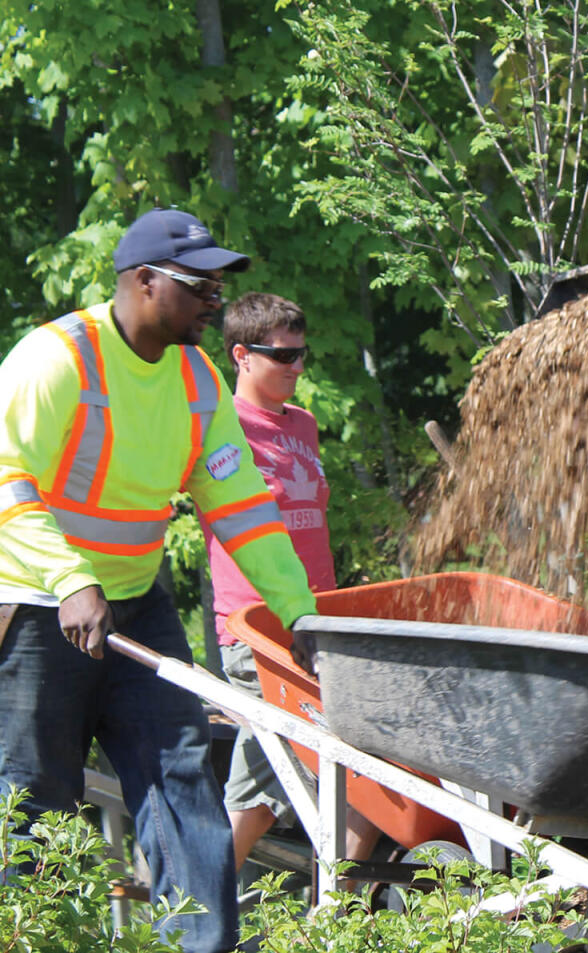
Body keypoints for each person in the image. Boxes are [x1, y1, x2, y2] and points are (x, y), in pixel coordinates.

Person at [0, 209, 319, 953]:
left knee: (184, 782)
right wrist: (73, 577)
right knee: (34, 806)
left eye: (216, 284)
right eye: (198, 283)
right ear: (144, 283)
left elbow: (242, 509)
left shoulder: (199, 381)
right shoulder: (56, 360)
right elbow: (7, 483)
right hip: (41, 607)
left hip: (135, 606)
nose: (215, 297)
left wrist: (299, 613)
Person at [205, 292, 381, 872]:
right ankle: (189, 916)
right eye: (282, 356)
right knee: (310, 785)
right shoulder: (218, 427)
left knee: (341, 776)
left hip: (316, 628)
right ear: (242, 356)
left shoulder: (303, 424)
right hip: (256, 632)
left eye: (302, 354)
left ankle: (327, 919)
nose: (297, 368)